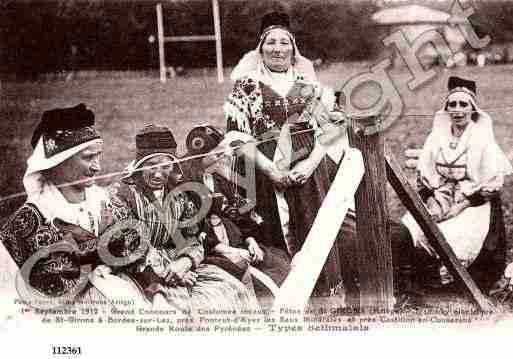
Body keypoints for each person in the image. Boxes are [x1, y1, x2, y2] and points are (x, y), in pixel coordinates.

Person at [108, 124, 259, 311]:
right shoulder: (121, 194)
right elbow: (128, 246)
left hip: (180, 264)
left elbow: (193, 235)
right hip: (140, 270)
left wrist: (186, 261)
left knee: (232, 289)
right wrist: (168, 271)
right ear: (139, 166)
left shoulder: (177, 191)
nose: (158, 173)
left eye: (165, 166)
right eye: (150, 166)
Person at [0, 104, 128, 305]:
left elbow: (135, 247)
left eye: (98, 155)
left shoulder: (105, 202)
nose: (98, 167)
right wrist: (104, 244)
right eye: (88, 158)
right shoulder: (27, 222)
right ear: (58, 163)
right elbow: (55, 285)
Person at [402, 76, 513, 292]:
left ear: (473, 109)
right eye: (452, 104)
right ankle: (416, 277)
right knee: (410, 229)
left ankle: (447, 281)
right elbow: (425, 171)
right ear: (446, 108)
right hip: (440, 196)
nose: (457, 109)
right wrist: (432, 198)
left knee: (453, 235)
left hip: (472, 201)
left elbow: (491, 184)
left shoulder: (482, 138)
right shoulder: (438, 136)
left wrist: (459, 206)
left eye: (464, 104)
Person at [183, 125, 291, 301]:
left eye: (223, 152)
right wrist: (225, 249)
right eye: (217, 154)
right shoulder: (187, 185)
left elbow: (238, 211)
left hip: (235, 242)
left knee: (280, 263)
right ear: (199, 157)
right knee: (256, 278)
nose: (224, 156)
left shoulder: (216, 176)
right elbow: (194, 228)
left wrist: (250, 240)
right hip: (211, 250)